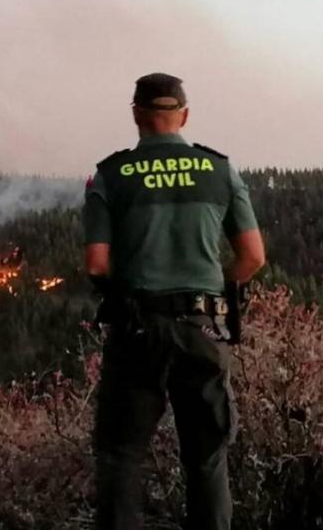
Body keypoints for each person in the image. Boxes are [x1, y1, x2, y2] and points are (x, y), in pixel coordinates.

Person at [84, 73, 265, 530]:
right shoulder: (220, 170)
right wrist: (210, 290)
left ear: (136, 116)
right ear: (183, 116)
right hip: (202, 329)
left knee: (122, 456)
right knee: (207, 456)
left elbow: (97, 264)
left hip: (137, 331)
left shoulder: (111, 174)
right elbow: (253, 257)